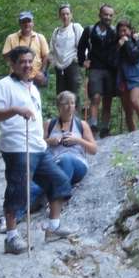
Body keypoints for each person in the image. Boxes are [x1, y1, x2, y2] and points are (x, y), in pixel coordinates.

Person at [0, 47, 79, 253]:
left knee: (59, 180)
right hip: (17, 146)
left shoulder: (33, 87)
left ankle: (53, 227)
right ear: (12, 64)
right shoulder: (4, 85)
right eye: (22, 62)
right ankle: (11, 237)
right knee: (18, 189)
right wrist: (15, 110)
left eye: (30, 61)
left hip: (38, 146)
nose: (27, 65)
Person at [42, 90, 97, 240]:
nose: (69, 106)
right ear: (59, 106)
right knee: (34, 183)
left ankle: (55, 205)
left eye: (72, 103)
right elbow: (37, 145)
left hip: (77, 162)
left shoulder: (81, 124)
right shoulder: (50, 124)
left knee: (66, 160)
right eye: (65, 103)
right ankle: (11, 218)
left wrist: (78, 140)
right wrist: (50, 142)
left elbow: (93, 149)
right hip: (54, 163)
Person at [79, 4, 119, 138]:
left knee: (108, 99)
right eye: (105, 14)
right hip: (95, 68)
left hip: (110, 69)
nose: (108, 17)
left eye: (110, 15)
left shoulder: (115, 32)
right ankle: (93, 126)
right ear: (100, 15)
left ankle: (105, 128)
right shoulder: (90, 30)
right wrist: (82, 61)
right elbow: (81, 47)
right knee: (95, 97)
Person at [115, 19, 139, 132]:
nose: (123, 33)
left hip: (137, 77)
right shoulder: (117, 43)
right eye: (120, 31)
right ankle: (133, 134)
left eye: (125, 30)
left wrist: (127, 42)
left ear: (130, 30)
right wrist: (117, 47)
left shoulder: (138, 41)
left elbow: (135, 56)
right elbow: (111, 60)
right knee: (128, 110)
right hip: (122, 78)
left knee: (134, 100)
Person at [1, 11, 50, 88]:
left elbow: (46, 56)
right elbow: (6, 56)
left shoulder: (40, 37)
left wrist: (42, 72)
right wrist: (18, 52)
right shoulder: (11, 38)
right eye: (24, 22)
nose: (26, 24)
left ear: (33, 23)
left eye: (29, 21)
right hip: (16, 78)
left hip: (35, 78)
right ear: (20, 24)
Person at [50, 4, 85, 104]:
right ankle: (62, 118)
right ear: (59, 16)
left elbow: (82, 46)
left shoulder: (76, 28)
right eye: (63, 14)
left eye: (67, 14)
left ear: (71, 15)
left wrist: (83, 60)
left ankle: (75, 118)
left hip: (73, 65)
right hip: (59, 68)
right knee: (61, 96)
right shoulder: (56, 32)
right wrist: (54, 63)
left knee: (74, 95)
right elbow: (52, 50)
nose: (65, 16)